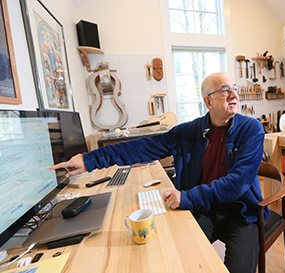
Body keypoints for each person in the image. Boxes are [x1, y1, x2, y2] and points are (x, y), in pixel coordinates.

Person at [50, 72, 268, 273]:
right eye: (224, 90)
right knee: (176, 259)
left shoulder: (251, 129)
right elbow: (143, 147)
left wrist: (187, 197)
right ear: (208, 101)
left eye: (234, 88)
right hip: (205, 210)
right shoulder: (189, 131)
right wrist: (88, 160)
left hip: (241, 214)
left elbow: (237, 183)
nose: (233, 95)